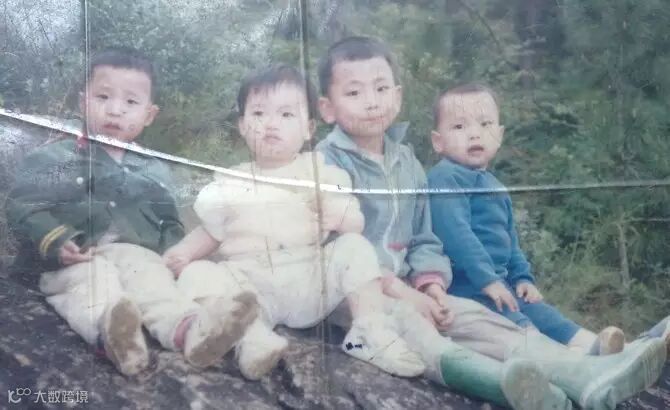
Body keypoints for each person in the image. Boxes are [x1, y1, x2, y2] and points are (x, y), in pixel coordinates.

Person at [315, 36, 667, 410]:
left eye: (381, 88)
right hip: (356, 293)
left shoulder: (407, 162)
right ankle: (502, 385)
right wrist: (405, 295)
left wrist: (432, 287)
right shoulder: (326, 161)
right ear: (327, 108)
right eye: (354, 93)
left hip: (408, 285)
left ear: (398, 96)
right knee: (411, 325)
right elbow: (340, 247)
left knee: (474, 317)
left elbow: (423, 237)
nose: (372, 102)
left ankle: (584, 373)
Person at [162, 65, 425, 381]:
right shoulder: (230, 181)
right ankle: (252, 338)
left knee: (353, 246)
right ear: (243, 125)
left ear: (309, 128)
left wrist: (340, 218)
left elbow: (354, 221)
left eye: (286, 114)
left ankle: (369, 329)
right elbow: (210, 232)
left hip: (309, 279)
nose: (271, 123)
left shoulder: (319, 171)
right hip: (251, 285)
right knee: (198, 273)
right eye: (259, 114)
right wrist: (183, 253)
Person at [5, 48, 257, 376]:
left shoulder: (154, 170)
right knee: (89, 283)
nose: (115, 109)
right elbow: (24, 205)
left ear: (149, 114)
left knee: (153, 279)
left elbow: (168, 223)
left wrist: (177, 256)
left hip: (133, 257)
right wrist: (57, 240)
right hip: (74, 258)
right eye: (103, 96)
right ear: (83, 102)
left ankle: (189, 332)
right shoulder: (57, 157)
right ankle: (114, 335)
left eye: (130, 102)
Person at [427, 83, 624, 354]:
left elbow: (510, 242)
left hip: (501, 286)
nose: (474, 134)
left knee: (548, 317)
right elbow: (457, 236)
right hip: (469, 289)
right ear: (438, 141)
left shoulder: (495, 186)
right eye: (459, 127)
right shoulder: (445, 177)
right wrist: (488, 280)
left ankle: (605, 350)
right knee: (521, 328)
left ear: (499, 135)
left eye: (485, 124)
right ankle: (570, 364)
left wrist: (523, 278)